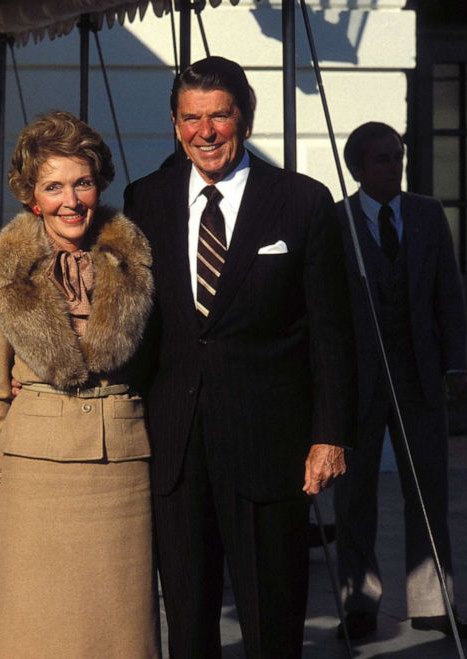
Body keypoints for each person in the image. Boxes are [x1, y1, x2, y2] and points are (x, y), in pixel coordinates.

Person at [123, 56, 356, 658]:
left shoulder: (302, 201)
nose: (206, 131)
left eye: (219, 116)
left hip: (269, 446)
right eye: (191, 118)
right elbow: (136, 327)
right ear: (176, 125)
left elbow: (333, 332)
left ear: (244, 119)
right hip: (176, 447)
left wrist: (329, 435)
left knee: (272, 620)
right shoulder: (144, 199)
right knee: (189, 622)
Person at [0, 111, 159, 658]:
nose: (70, 200)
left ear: (99, 184)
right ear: (32, 196)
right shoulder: (6, 268)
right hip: (36, 472)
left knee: (120, 629)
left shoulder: (135, 257)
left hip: (121, 469)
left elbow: (158, 364)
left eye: (81, 182)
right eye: (53, 186)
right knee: (38, 627)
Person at [333, 121, 467, 641]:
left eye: (397, 157)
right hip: (359, 381)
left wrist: (455, 365)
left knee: (428, 489)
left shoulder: (426, 214)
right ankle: (360, 603)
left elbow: (448, 294)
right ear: (357, 168)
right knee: (355, 496)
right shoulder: (337, 222)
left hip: (419, 376)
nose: (394, 167)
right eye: (381, 159)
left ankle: (434, 604)